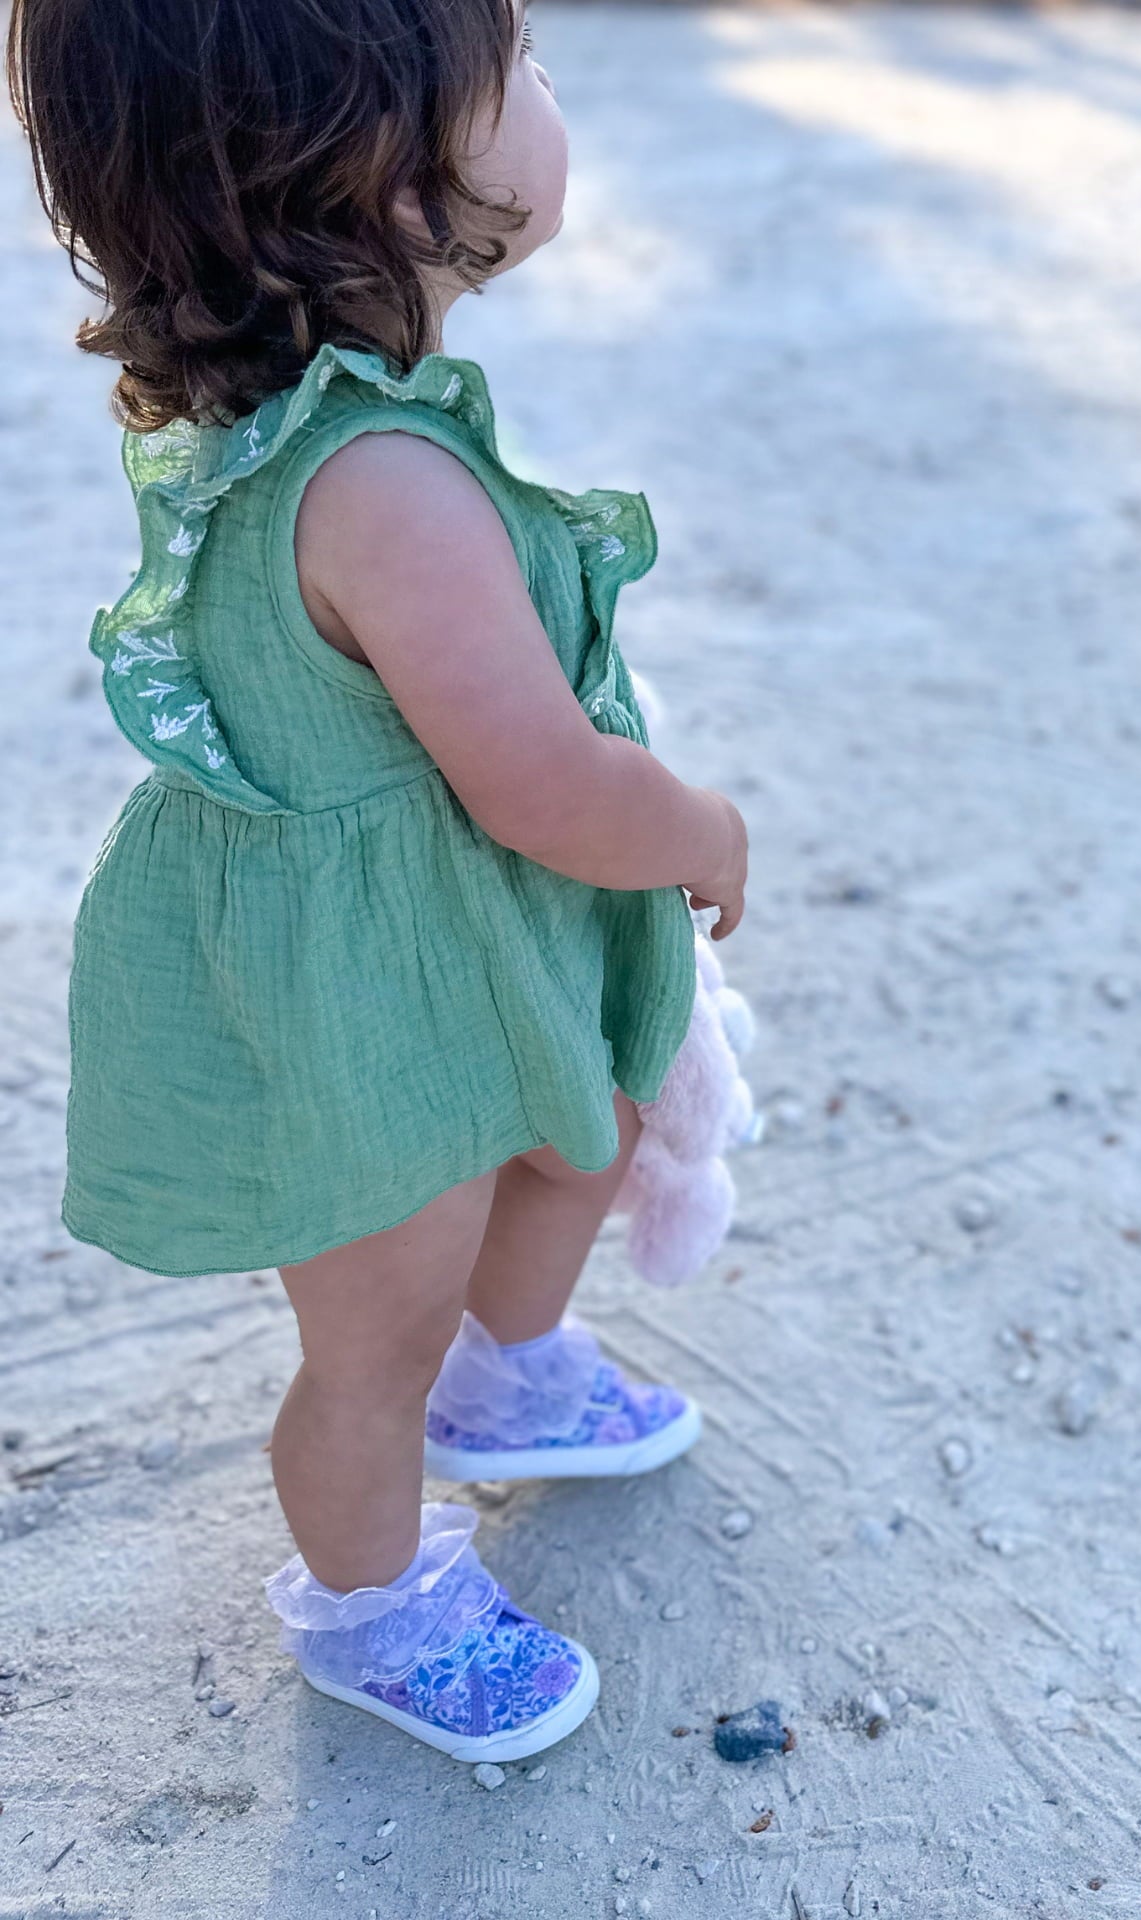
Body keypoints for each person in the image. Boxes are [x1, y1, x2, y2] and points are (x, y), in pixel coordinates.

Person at [8, 0, 748, 1762]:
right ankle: (367, 1602)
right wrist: (703, 831)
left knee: (581, 1133)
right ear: (398, 190)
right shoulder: (384, 486)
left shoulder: (359, 421)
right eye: (530, 73)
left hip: (456, 923)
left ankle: (512, 1375)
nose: (560, 95)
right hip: (361, 982)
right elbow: (547, 785)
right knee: (375, 1328)